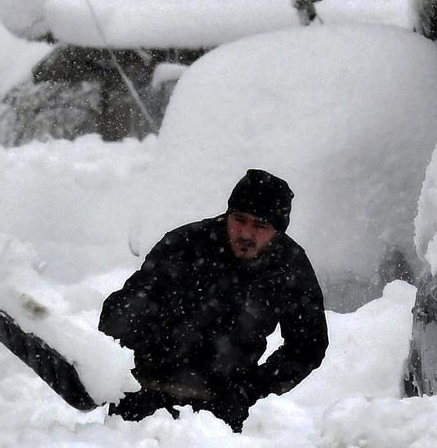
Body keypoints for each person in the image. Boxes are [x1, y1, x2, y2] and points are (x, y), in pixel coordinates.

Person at [98, 168, 327, 430]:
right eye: (239, 219)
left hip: (218, 414)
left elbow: (308, 346)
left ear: (277, 232)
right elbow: (120, 314)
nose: (246, 234)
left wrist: (250, 390)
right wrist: (118, 366)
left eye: (260, 225)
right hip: (144, 396)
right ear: (228, 214)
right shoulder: (185, 245)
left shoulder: (289, 268)